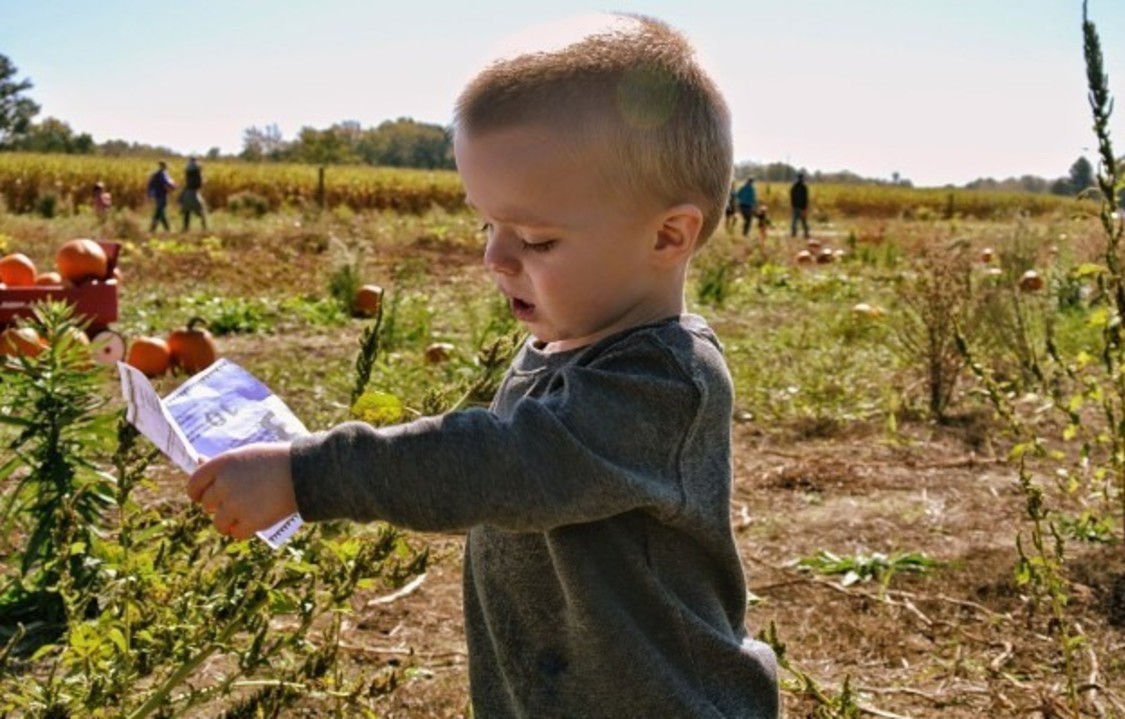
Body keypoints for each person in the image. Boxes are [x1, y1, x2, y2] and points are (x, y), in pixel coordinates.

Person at [185, 13, 779, 718]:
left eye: (534, 237)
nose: (494, 258)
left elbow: (507, 466)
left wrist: (309, 472)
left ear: (667, 234)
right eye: (487, 224)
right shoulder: (555, 349)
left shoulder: (665, 382)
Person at [180, 157, 208, 231]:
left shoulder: (187, 169)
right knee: (201, 210)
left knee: (187, 212)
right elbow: (200, 183)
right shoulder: (197, 170)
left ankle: (185, 228)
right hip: (194, 193)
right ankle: (204, 228)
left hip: (187, 192)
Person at [147, 160, 176, 232]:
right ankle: (167, 228)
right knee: (161, 211)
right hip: (162, 195)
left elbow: (150, 184)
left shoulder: (156, 174)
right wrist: (173, 186)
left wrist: (150, 194)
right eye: (165, 166)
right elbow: (167, 182)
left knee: (159, 211)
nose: (166, 167)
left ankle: (152, 228)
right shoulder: (162, 174)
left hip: (158, 195)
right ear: (163, 166)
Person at [790, 172, 810, 239]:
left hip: (797, 207)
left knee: (795, 221)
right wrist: (805, 208)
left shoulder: (795, 187)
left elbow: (792, 198)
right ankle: (805, 233)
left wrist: (792, 206)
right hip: (800, 207)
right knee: (802, 221)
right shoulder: (803, 187)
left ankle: (795, 233)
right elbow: (805, 198)